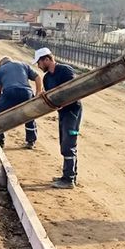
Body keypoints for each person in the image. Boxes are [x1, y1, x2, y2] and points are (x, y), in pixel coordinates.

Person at [34, 47, 82, 189]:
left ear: (47, 59)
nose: (38, 66)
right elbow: (52, 98)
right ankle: (69, 175)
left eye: (39, 63)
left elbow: (74, 90)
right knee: (64, 142)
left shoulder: (65, 70)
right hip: (62, 112)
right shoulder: (47, 78)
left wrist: (63, 103)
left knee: (69, 143)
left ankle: (69, 180)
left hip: (72, 111)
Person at [0, 56, 42, 149]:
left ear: (0, 65)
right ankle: (31, 141)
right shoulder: (23, 65)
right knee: (29, 114)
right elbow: (37, 77)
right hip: (26, 93)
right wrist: (38, 92)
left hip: (9, 93)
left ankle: (0, 140)